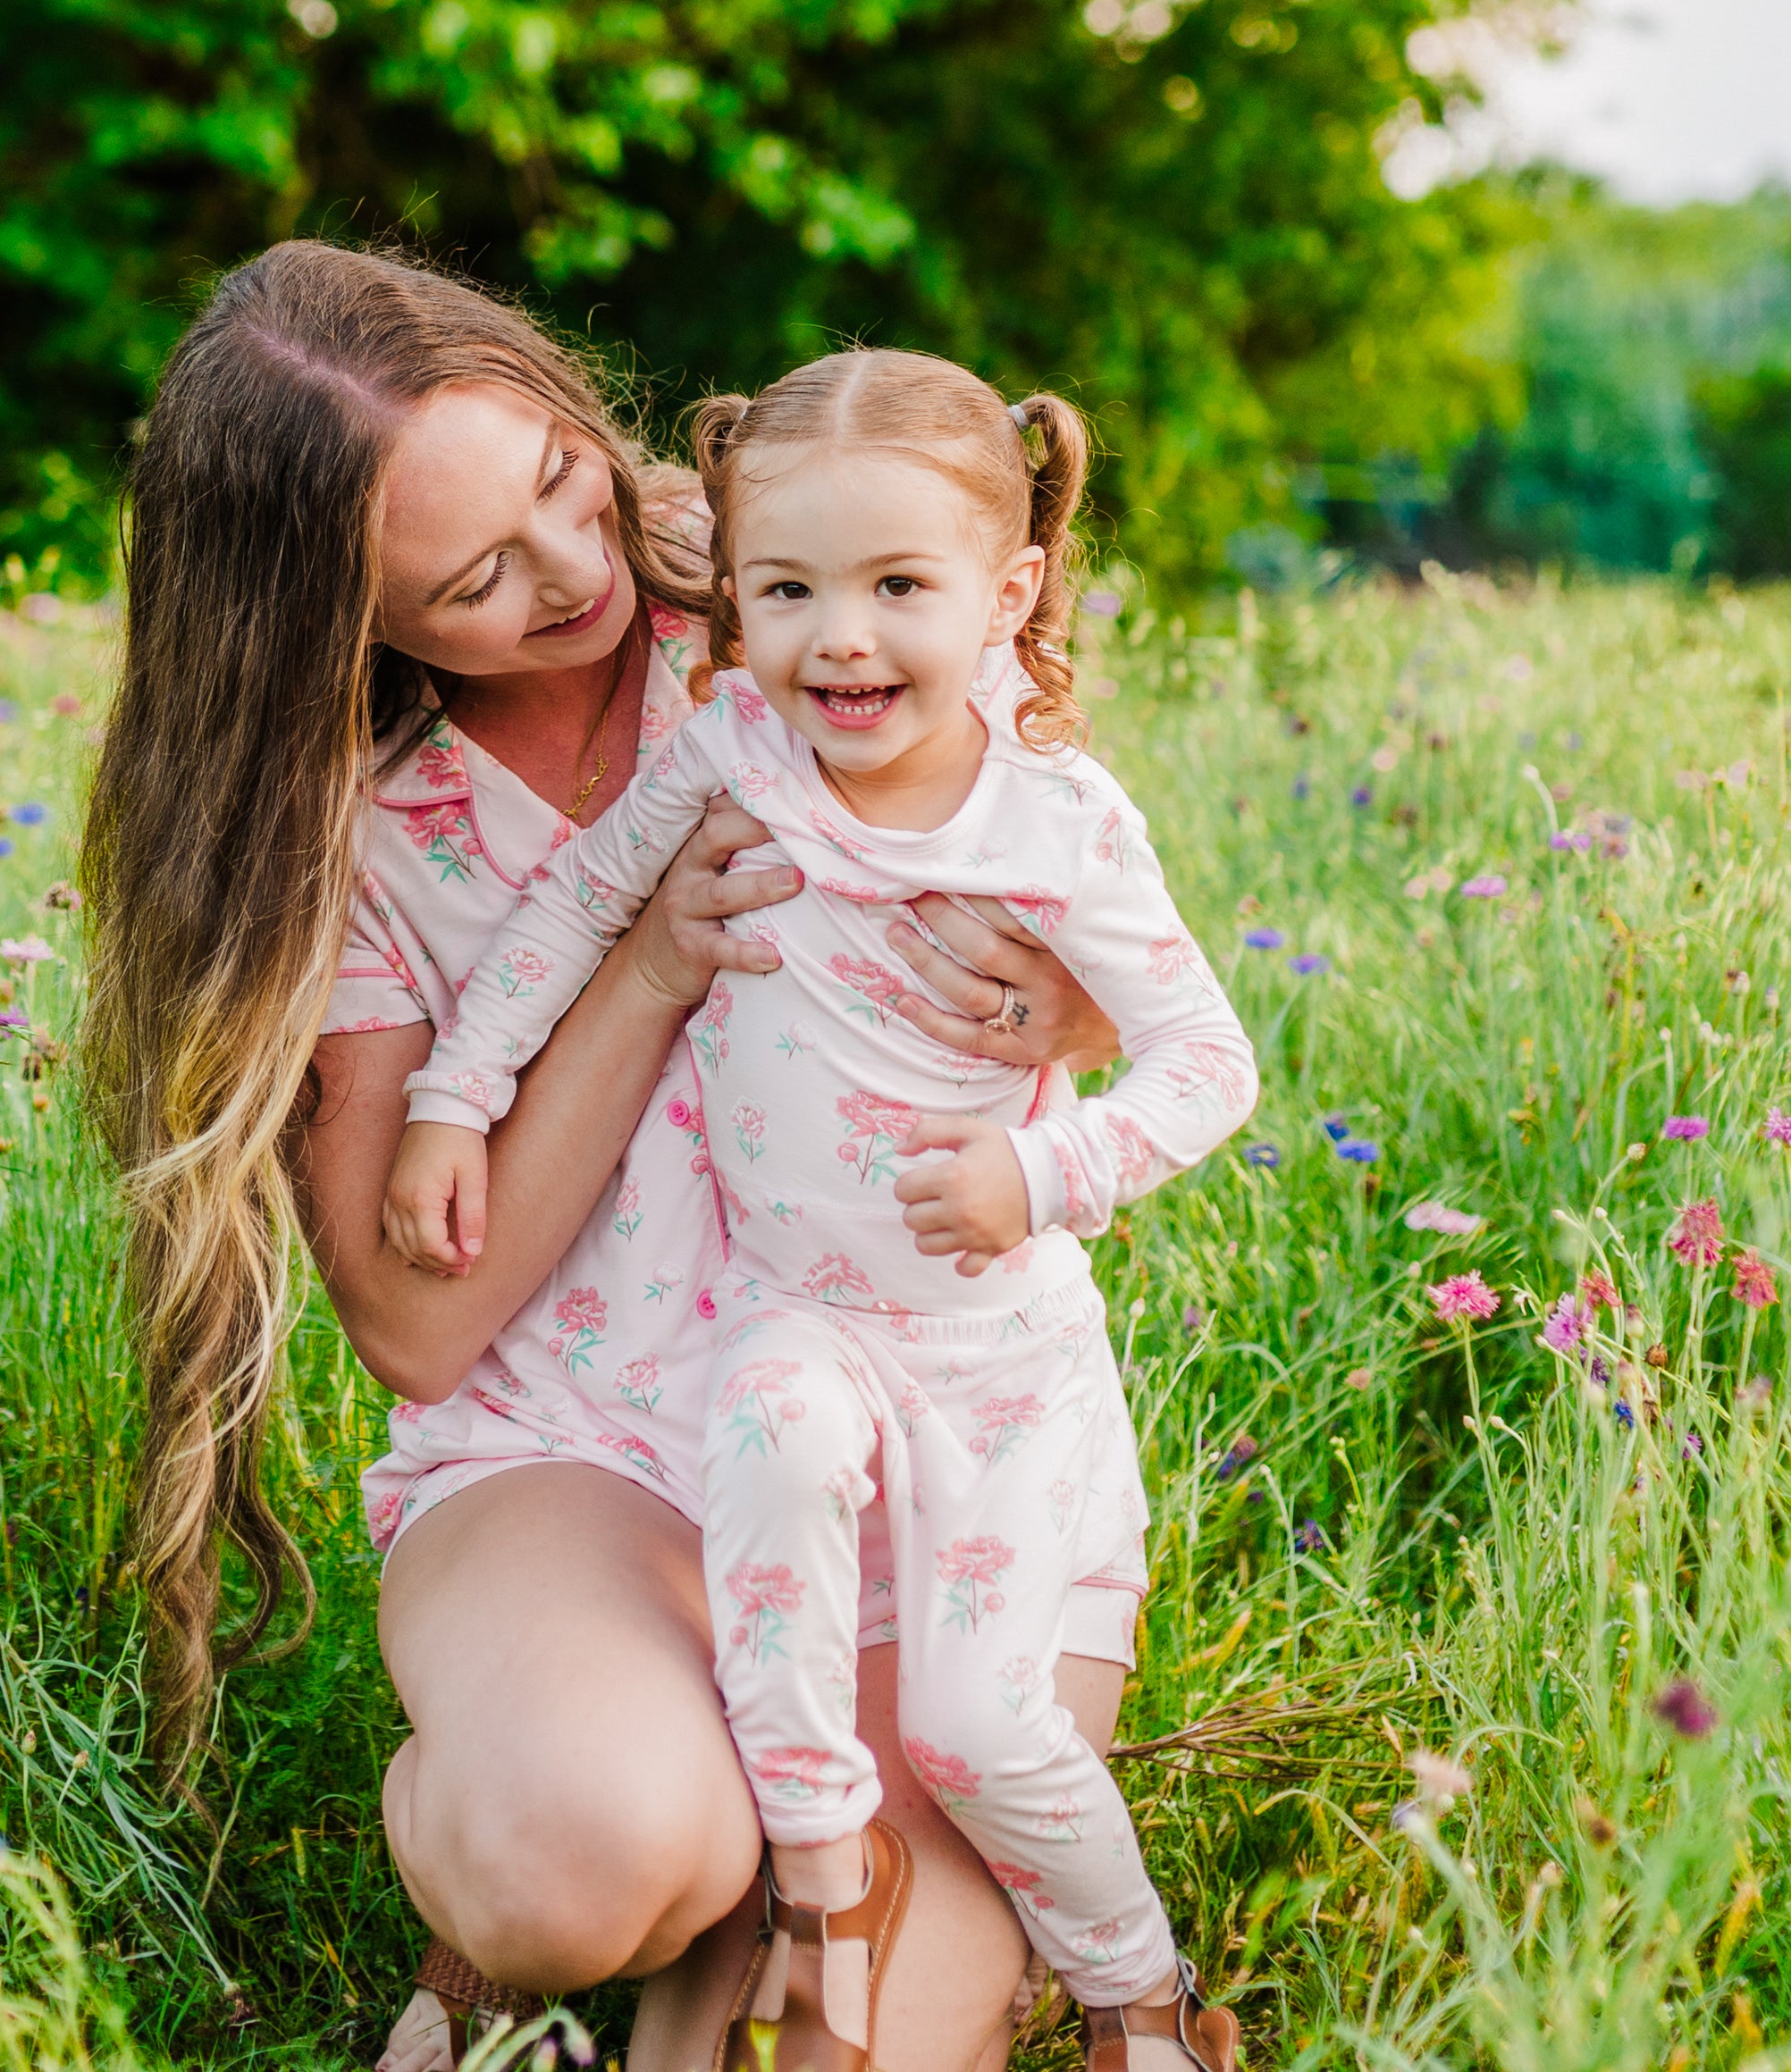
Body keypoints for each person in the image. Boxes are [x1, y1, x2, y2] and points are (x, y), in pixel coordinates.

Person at [80, 244, 1145, 2072]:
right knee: (594, 1851)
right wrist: (646, 962)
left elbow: (1083, 925)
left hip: (934, 1423)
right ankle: (522, 1880)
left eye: (569, 485)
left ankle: (758, 1866)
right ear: (338, 623)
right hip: (588, 1449)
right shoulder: (353, 838)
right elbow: (424, 1326)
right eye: (476, 578)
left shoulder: (789, 590)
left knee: (867, 2034)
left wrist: (1067, 1001)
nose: (574, 575)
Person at [387, 351, 1257, 2072]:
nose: (840, 640)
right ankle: (809, 1867)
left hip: (986, 1361)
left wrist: (1045, 1167)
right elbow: (571, 914)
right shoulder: (737, 749)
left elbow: (1206, 1062)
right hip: (789, 1335)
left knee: (981, 1733)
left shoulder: (1056, 817)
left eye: (896, 593)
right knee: (775, 1453)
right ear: (739, 585)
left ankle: (1138, 1999)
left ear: (1007, 596)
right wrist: (445, 1099)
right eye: (788, 593)